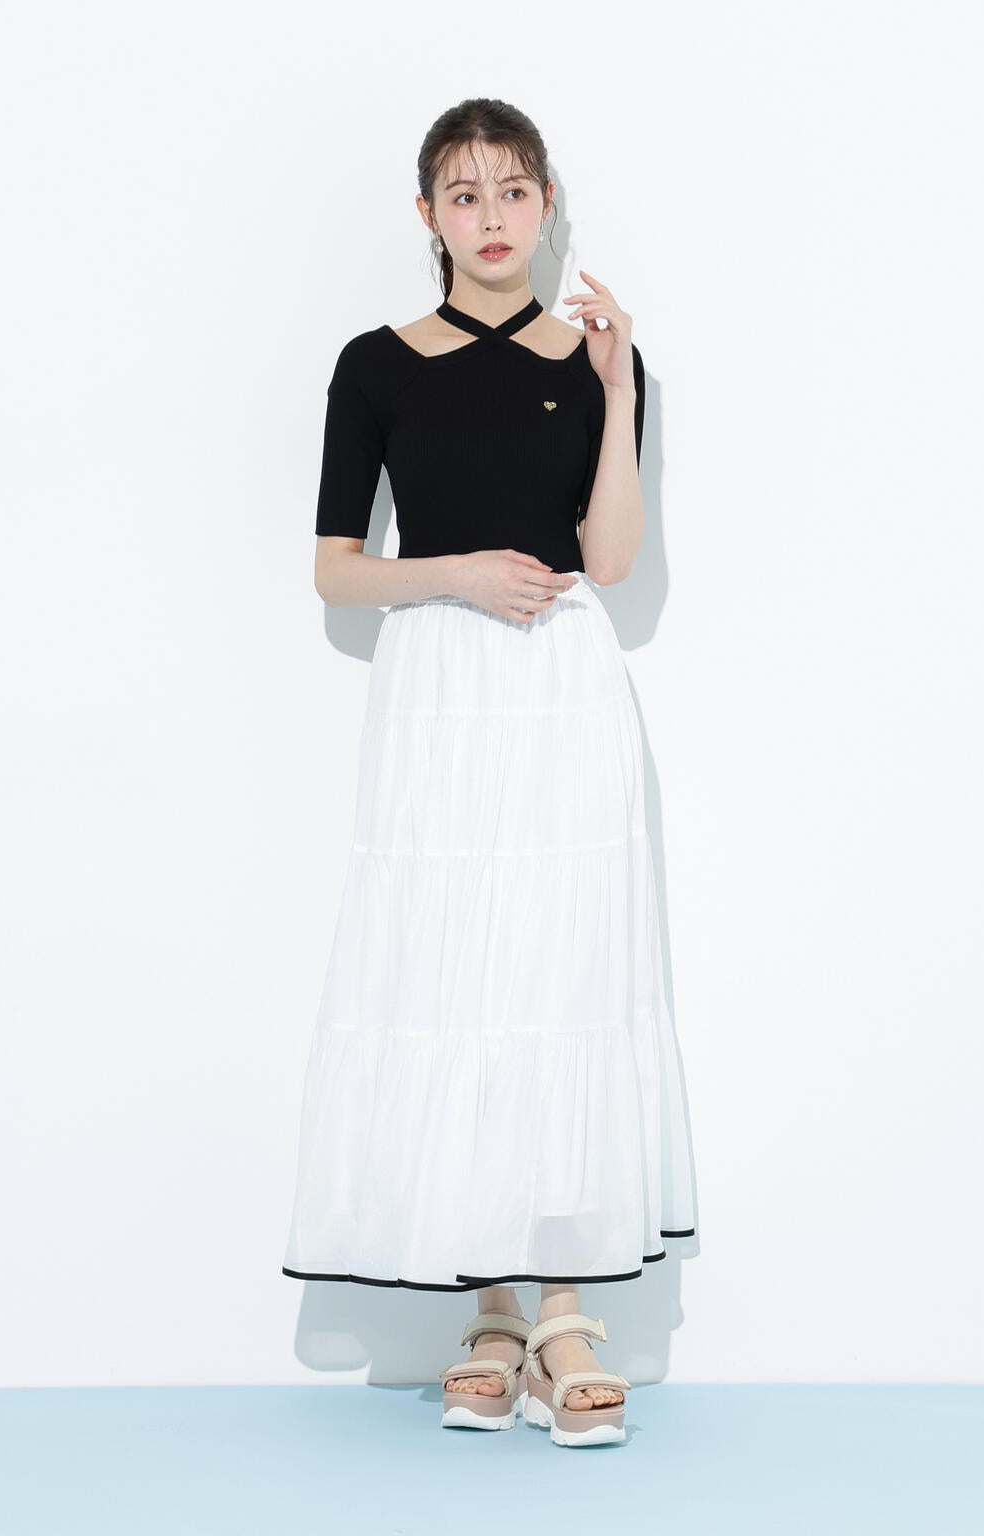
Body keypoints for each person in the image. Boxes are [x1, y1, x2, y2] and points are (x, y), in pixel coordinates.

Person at [281, 98, 697, 1447]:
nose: (493, 216)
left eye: (514, 190)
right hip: (439, 685)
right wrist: (453, 573)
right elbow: (336, 569)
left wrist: (620, 390)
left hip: (562, 679)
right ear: (430, 217)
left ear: (548, 202)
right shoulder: (376, 365)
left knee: (559, 968)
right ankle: (494, 1309)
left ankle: (563, 1310)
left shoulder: (597, 361)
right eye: (464, 195)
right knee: (452, 965)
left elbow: (610, 559)